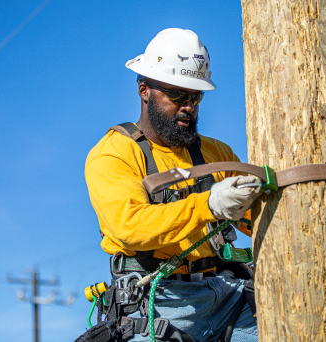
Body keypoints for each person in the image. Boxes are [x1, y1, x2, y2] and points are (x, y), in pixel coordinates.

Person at [85, 28, 259, 342]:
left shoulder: (215, 153)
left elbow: (255, 219)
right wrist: (207, 205)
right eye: (177, 94)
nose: (188, 106)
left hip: (225, 294)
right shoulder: (114, 153)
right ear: (144, 90)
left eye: (195, 96)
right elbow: (130, 226)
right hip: (157, 299)